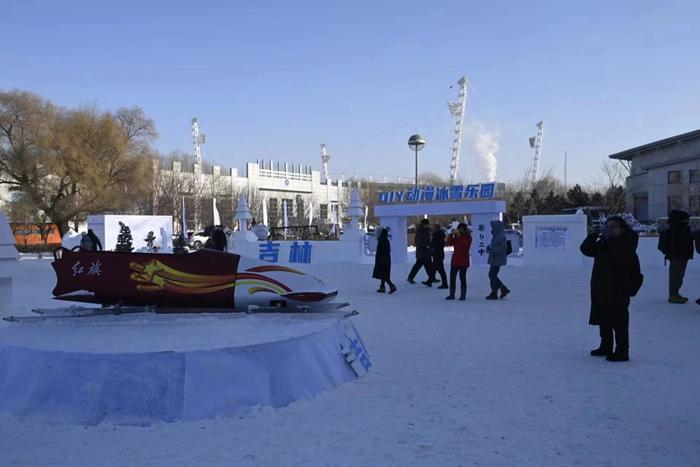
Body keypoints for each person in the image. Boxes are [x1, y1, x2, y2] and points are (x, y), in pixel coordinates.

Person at [580, 216, 643, 362]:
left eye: (613, 227)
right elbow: (586, 250)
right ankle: (606, 345)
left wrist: (630, 289)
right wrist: (594, 234)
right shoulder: (604, 242)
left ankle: (622, 351)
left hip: (618, 289)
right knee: (603, 318)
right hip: (601, 287)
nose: (609, 230)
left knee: (619, 321)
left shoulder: (626, 243)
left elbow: (628, 265)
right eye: (607, 227)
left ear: (622, 228)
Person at [658, 210, 693, 303]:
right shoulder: (677, 228)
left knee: (678, 276)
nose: (687, 221)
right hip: (678, 256)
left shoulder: (678, 227)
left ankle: (675, 293)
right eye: (686, 220)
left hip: (680, 255)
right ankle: (673, 295)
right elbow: (679, 242)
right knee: (676, 276)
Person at [445, 223, 472, 300]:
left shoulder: (468, 237)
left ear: (464, 229)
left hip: (463, 260)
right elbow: (449, 243)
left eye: (460, 229)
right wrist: (451, 235)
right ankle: (451, 294)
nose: (458, 230)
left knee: (462, 278)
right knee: (452, 278)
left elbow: (465, 245)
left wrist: (459, 236)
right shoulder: (457, 236)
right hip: (455, 260)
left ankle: (463, 295)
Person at [485, 220, 510, 299]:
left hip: (498, 259)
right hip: (494, 259)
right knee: (492, 275)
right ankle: (494, 292)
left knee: (492, 275)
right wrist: (489, 248)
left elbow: (503, 248)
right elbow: (493, 245)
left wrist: (492, 249)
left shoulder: (501, 236)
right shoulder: (496, 236)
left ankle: (502, 288)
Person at [407, 219, 433, 285]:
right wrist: (429, 247)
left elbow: (416, 241)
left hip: (420, 251)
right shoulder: (424, 232)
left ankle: (410, 277)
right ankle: (431, 278)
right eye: (427, 224)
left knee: (420, 265)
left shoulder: (419, 231)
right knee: (428, 265)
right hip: (425, 252)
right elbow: (427, 242)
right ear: (425, 224)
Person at [372, 228, 397, 294]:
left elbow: (381, 251)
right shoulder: (385, 239)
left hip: (382, 260)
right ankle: (382, 287)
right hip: (386, 259)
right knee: (383, 273)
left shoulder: (381, 240)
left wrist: (379, 259)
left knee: (383, 274)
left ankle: (392, 286)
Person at [428, 223, 449, 289]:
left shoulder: (438, 235)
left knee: (440, 269)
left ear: (437, 228)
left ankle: (445, 284)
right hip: (437, 254)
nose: (432, 229)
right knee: (434, 268)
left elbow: (437, 245)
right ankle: (429, 281)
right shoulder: (438, 235)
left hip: (438, 254)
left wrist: (431, 246)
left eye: (434, 227)